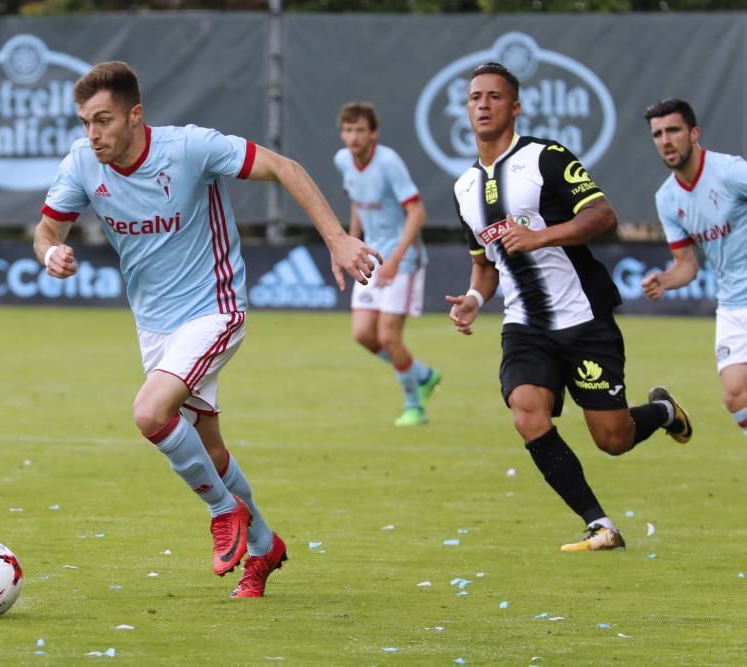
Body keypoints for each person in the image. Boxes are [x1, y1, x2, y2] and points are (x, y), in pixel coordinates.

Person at [34, 61, 381, 597]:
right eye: (84, 122)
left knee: (150, 412)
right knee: (210, 450)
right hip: (155, 327)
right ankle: (265, 548)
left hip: (215, 309)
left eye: (103, 120)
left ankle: (224, 510)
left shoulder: (190, 148)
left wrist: (337, 239)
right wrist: (50, 252)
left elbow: (286, 168)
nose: (92, 133)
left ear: (136, 114)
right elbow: (47, 230)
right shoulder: (83, 163)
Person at [445, 62, 693, 552]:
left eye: (495, 97)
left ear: (514, 107)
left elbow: (603, 215)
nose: (483, 105)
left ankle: (663, 412)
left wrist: (541, 236)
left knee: (612, 438)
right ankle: (599, 524)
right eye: (475, 97)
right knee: (527, 414)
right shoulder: (463, 189)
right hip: (524, 325)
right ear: (466, 107)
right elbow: (486, 265)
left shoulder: (546, 157)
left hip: (583, 319)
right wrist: (474, 298)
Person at [642, 98, 747, 437]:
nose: (666, 140)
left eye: (673, 130)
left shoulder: (729, 171)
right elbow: (687, 265)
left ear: (694, 133)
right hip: (733, 303)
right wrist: (664, 280)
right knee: (734, 396)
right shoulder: (667, 198)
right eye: (658, 134)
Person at [334, 102, 442, 427]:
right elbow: (356, 203)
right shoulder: (343, 161)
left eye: (360, 130)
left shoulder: (389, 162)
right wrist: (348, 247)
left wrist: (395, 259)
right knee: (363, 334)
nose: (353, 137)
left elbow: (417, 213)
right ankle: (421, 374)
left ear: (373, 133)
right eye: (348, 130)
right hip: (369, 256)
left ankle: (414, 406)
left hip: (403, 259)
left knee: (389, 336)